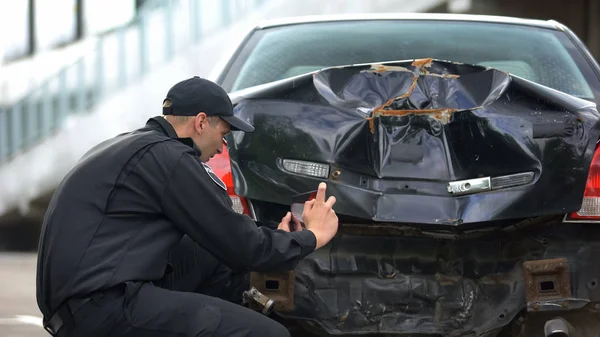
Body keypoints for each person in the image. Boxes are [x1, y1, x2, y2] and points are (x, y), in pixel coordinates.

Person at [36, 76, 339, 337]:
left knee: (210, 257)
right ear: (201, 122)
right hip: (103, 308)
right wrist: (311, 237)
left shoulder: (134, 147)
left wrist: (278, 239)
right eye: (223, 134)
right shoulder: (172, 159)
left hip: (80, 305)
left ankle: (230, 315)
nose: (222, 147)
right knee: (268, 334)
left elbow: (219, 234)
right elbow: (241, 244)